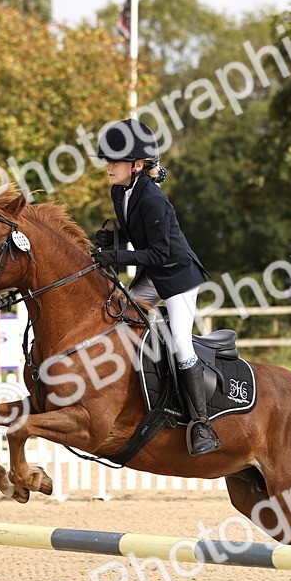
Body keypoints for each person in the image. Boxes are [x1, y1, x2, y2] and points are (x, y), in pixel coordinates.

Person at [90, 118, 221, 456]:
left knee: (181, 343)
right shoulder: (119, 190)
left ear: (135, 165)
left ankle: (202, 424)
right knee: (117, 317)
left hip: (178, 277)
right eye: (107, 160)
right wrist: (114, 238)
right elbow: (139, 235)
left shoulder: (154, 199)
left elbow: (161, 252)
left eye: (114, 161)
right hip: (152, 273)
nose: (108, 166)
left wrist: (117, 254)